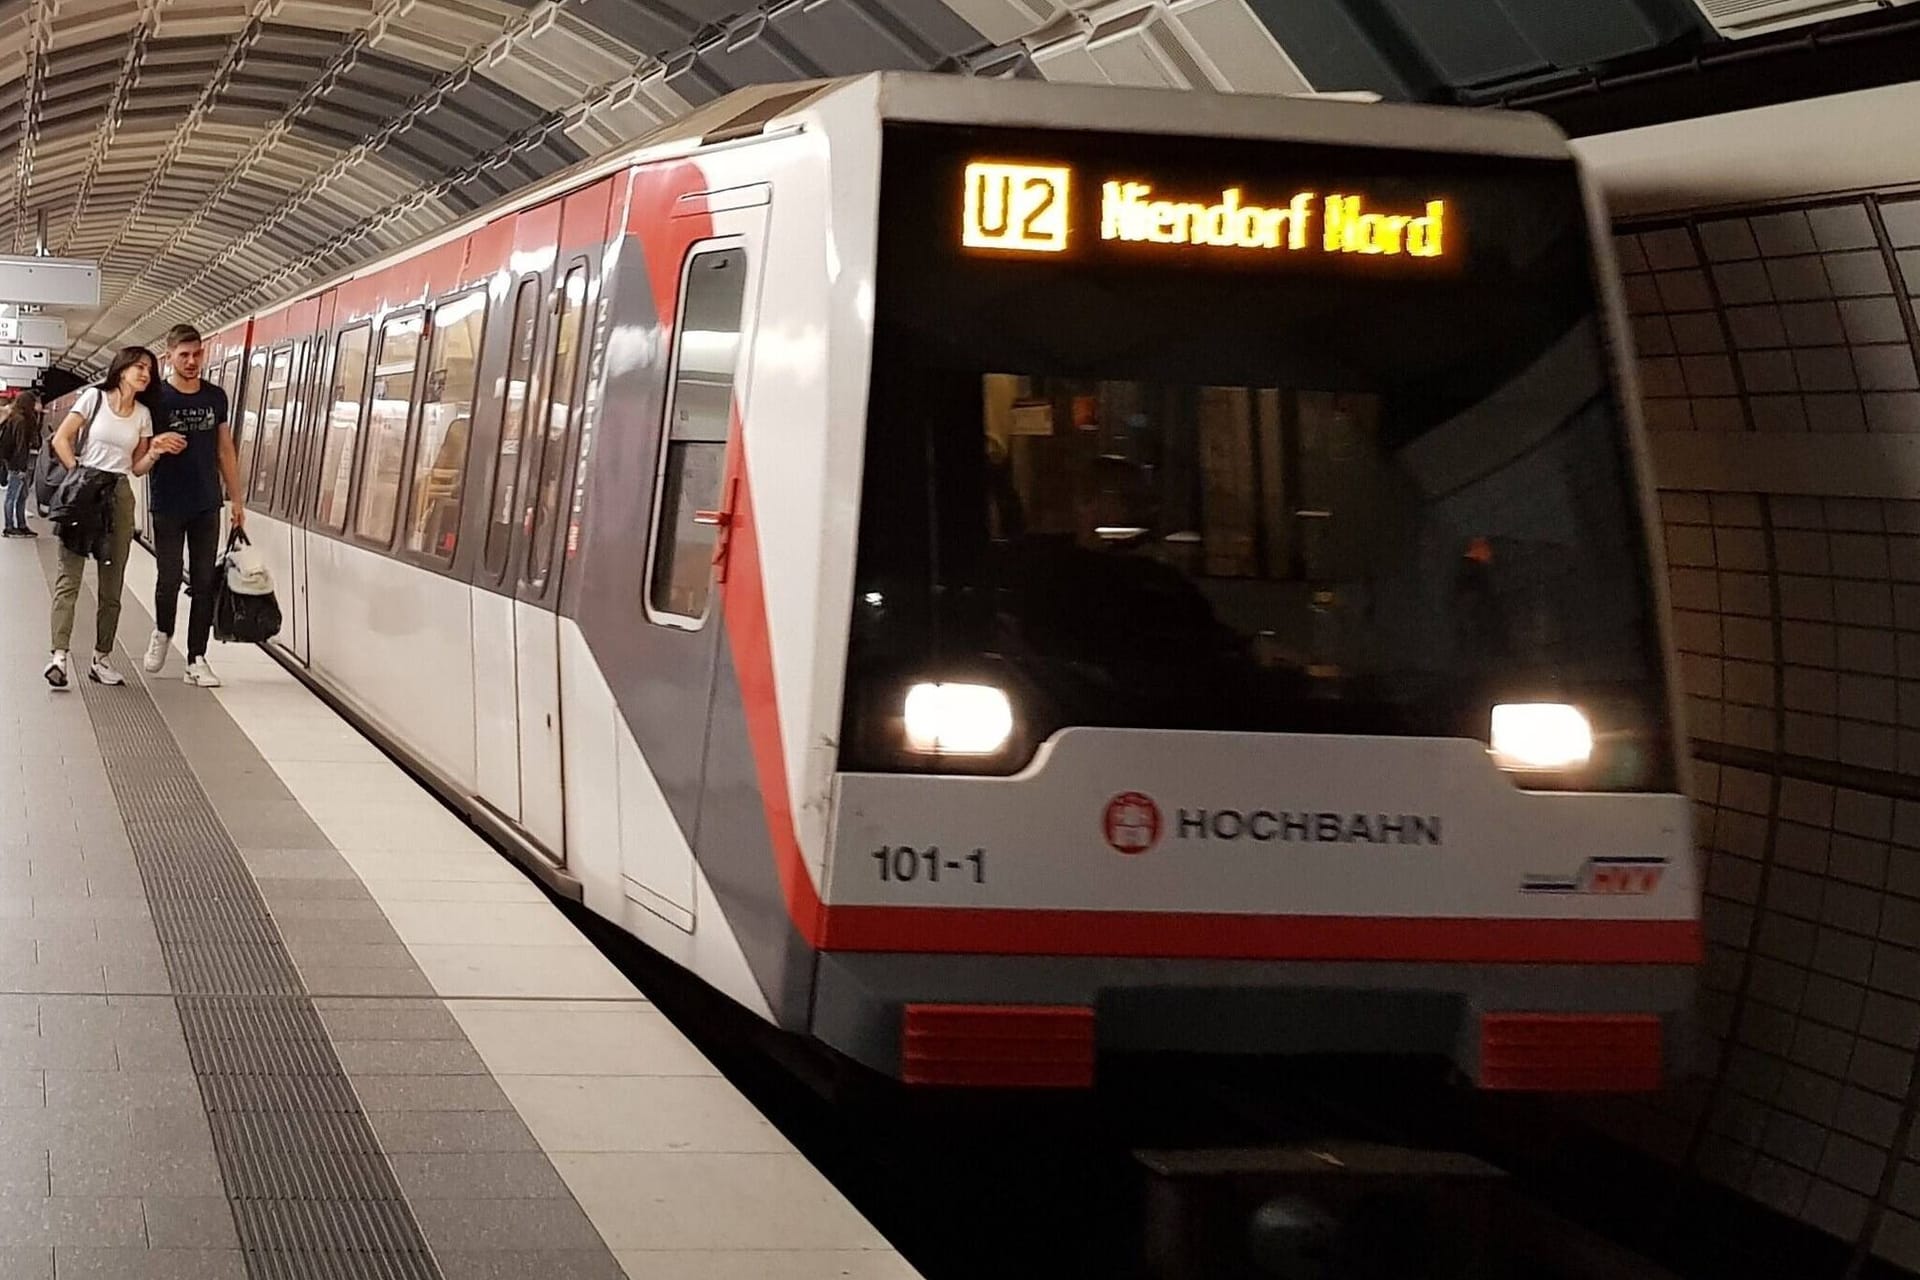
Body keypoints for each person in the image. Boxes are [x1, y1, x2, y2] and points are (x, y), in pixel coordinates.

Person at [44, 347, 186, 689]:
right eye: (139, 367)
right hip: (85, 489)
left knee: (112, 583)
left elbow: (136, 468)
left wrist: (154, 451)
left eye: (149, 370)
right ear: (121, 369)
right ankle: (58, 657)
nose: (144, 374)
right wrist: (77, 474)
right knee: (69, 579)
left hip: (119, 494)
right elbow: (61, 439)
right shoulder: (93, 399)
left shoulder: (143, 415)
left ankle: (101, 657)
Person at [143, 324, 242, 687]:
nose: (191, 361)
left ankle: (197, 657)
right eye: (183, 355)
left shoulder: (216, 397)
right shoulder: (157, 399)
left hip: (206, 503)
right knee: (168, 577)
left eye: (197, 354)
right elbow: (139, 448)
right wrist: (156, 444)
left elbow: (225, 449)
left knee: (203, 582)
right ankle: (162, 631)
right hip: (167, 501)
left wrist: (236, 498)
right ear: (168, 356)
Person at [1, 392, 39, 537]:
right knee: (12, 496)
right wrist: (20, 467)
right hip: (17, 465)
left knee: (22, 496)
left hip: (18, 464)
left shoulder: (20, 418)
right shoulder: (20, 420)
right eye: (33, 402)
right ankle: (9, 527)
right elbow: (20, 445)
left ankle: (22, 525)